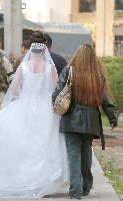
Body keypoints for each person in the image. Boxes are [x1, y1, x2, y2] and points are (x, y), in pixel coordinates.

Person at [0, 33, 69, 198]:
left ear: (30, 47)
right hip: (45, 109)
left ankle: (21, 180)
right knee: (43, 144)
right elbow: (55, 90)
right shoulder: (50, 67)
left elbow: (14, 90)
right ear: (45, 48)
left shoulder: (24, 66)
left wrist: (25, 94)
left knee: (22, 144)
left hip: (24, 106)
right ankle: (41, 181)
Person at [52, 44, 118, 200]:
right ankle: (86, 186)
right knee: (86, 153)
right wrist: (113, 118)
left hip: (71, 120)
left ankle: (75, 191)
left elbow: (56, 95)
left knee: (73, 155)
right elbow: (105, 100)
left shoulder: (69, 72)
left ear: (77, 56)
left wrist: (58, 107)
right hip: (91, 121)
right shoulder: (98, 76)